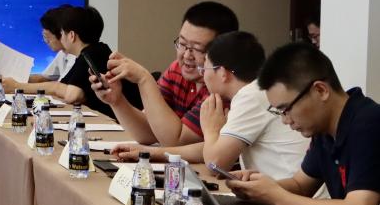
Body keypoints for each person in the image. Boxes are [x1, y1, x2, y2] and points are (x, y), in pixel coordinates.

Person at [227, 43, 380, 205]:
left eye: (286, 109)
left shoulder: (369, 123)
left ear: (320, 90)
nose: (285, 120)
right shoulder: (325, 129)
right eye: (279, 112)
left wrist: (278, 197)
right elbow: (300, 185)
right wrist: (257, 190)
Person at [109, 33, 310, 179]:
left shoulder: (250, 96)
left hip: (289, 199)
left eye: (205, 67)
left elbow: (215, 163)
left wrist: (211, 130)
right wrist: (150, 152)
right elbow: (214, 148)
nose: (202, 74)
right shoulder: (253, 92)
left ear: (222, 73)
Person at [94, 1, 238, 146]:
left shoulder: (221, 89)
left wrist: (144, 79)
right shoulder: (177, 70)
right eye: (182, 44)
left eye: (197, 49)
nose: (186, 55)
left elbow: (177, 141)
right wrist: (117, 101)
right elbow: (148, 132)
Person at [2, 5, 138, 119]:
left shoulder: (91, 55)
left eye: (62, 33)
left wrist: (17, 86)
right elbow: (63, 88)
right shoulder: (92, 51)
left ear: (71, 35)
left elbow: (71, 94)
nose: (60, 38)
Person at [28, 4, 75, 84]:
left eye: (47, 37)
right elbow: (44, 77)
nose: (46, 41)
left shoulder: (75, 56)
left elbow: (60, 87)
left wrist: (17, 85)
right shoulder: (62, 53)